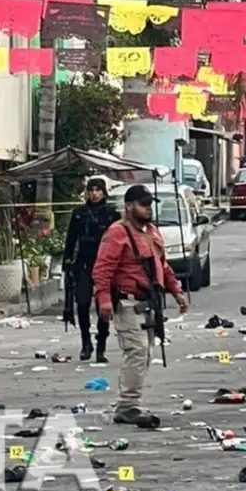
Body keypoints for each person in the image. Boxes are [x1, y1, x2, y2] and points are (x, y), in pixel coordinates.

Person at [92, 185, 188, 429]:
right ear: (128, 206)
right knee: (136, 352)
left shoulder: (151, 232)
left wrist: (176, 290)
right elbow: (102, 269)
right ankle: (127, 406)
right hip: (127, 303)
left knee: (145, 354)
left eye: (149, 204)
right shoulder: (117, 233)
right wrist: (103, 299)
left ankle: (130, 403)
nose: (148, 208)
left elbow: (162, 266)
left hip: (148, 304)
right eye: (143, 204)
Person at [63, 177, 119, 362]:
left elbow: (119, 241)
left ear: (104, 192)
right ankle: (86, 342)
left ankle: (101, 344)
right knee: (83, 304)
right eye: (91, 190)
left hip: (105, 265)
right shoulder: (79, 213)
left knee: (103, 306)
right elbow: (71, 240)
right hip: (84, 264)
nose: (94, 193)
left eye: (98, 190)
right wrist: (68, 262)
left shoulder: (111, 214)